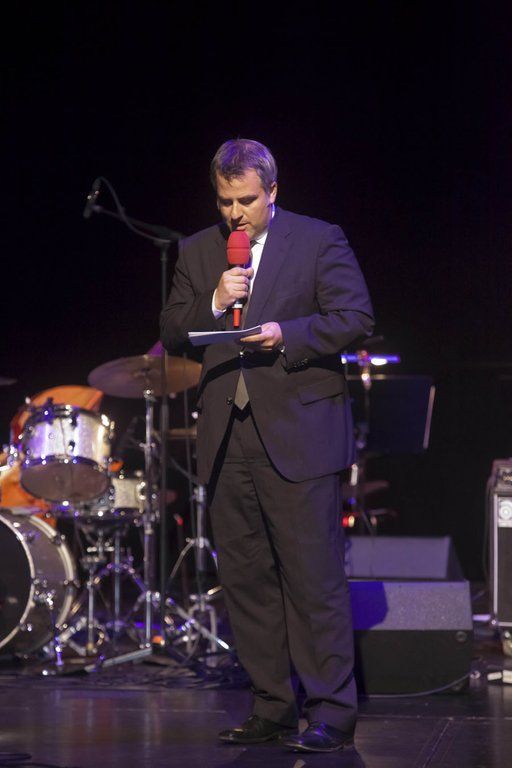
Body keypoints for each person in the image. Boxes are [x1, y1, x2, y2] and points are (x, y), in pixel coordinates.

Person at [160, 138, 374, 753]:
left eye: (247, 200)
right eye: (225, 201)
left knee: (312, 579)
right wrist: (214, 301)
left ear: (272, 192)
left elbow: (355, 317)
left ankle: (331, 711)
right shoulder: (198, 250)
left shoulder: (318, 240)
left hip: (299, 433)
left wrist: (287, 334)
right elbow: (172, 330)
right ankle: (272, 707)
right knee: (247, 579)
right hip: (228, 436)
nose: (235, 213)